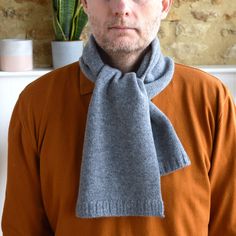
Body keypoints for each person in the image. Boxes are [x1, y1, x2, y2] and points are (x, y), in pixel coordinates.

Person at [2, 0, 236, 235]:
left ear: (164, 4)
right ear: (84, 3)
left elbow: (229, 225)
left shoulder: (211, 99)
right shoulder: (37, 103)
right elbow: (22, 228)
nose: (121, 7)